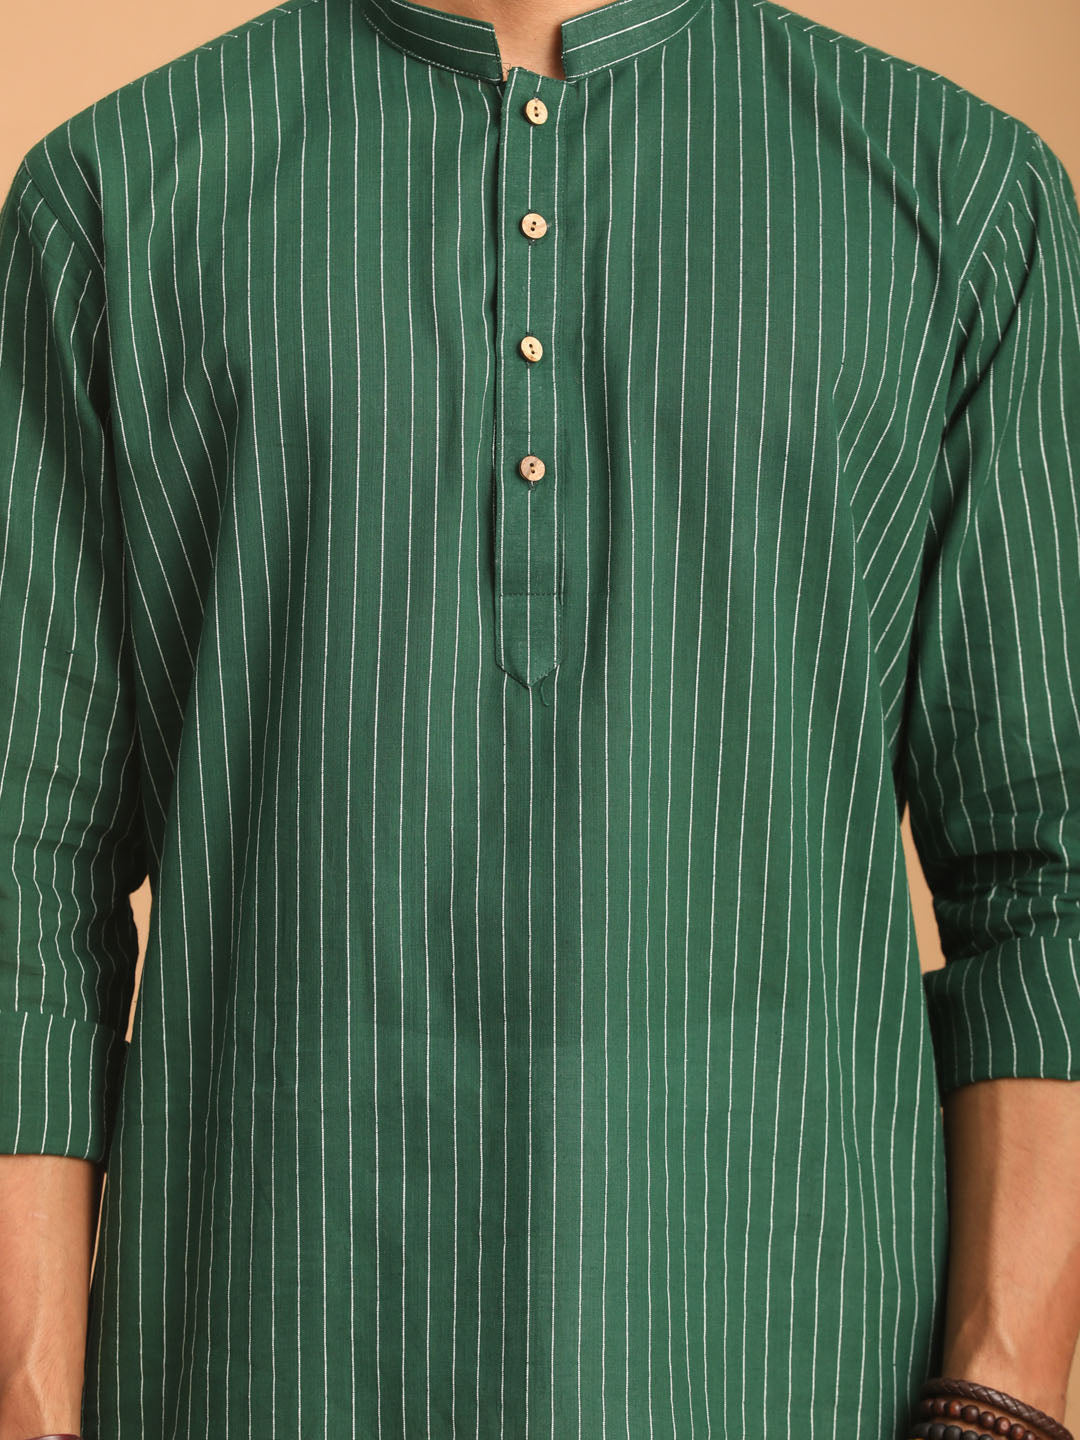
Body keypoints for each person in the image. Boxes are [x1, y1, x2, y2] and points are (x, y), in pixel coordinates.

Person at [0, 0, 1078, 1434]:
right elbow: (26, 869)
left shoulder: (965, 198)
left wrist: (1001, 1401)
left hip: (787, 1365)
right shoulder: (116, 196)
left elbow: (1049, 868)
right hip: (266, 1359)